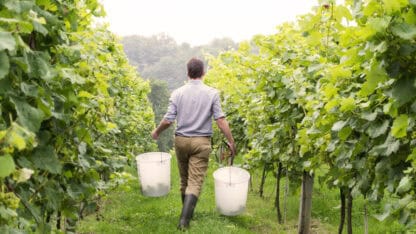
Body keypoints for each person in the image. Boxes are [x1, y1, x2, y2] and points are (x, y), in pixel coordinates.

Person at [151, 58, 236, 230]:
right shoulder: (212, 93)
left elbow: (168, 120)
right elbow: (220, 120)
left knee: (184, 180)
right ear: (203, 73)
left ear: (187, 73)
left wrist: (157, 132)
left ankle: (187, 215)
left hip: (181, 140)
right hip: (201, 142)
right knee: (195, 182)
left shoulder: (177, 93)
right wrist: (231, 140)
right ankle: (184, 221)